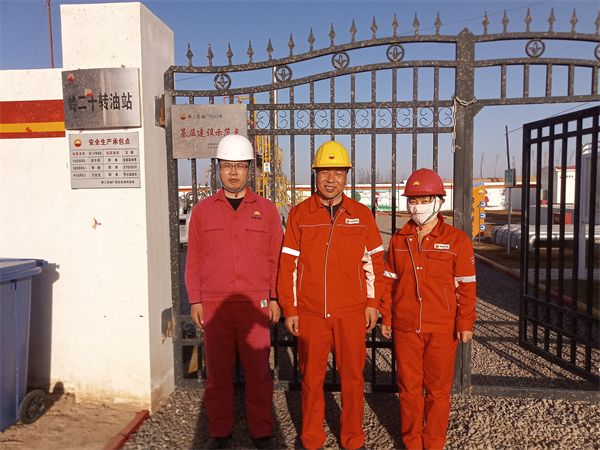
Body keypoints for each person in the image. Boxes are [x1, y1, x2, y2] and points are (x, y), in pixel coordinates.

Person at [277, 141, 385, 450]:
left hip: (350, 312)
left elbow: (374, 263)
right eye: (325, 172)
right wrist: (290, 308)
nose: (330, 179)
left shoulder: (361, 215)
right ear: (315, 174)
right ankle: (311, 439)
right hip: (311, 312)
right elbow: (288, 265)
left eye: (338, 173)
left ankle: (353, 438)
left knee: (353, 379)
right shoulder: (300, 214)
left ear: (346, 176)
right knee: (311, 380)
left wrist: (372, 303)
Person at [185, 135, 283, 450]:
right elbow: (194, 258)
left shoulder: (267, 210)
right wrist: (195, 299)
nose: (233, 173)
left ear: (249, 169)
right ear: (218, 168)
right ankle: (219, 430)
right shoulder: (202, 211)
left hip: (255, 303)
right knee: (217, 373)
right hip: (215, 304)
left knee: (259, 373)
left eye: (240, 166)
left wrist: (275, 297)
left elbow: (275, 258)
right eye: (227, 166)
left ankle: (262, 430)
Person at [379, 168, 477, 450]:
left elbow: (466, 286)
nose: (418, 206)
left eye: (425, 200)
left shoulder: (458, 240)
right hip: (405, 327)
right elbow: (389, 281)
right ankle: (412, 441)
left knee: (437, 390)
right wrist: (387, 315)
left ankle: (433, 442)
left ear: (439, 201)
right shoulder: (398, 240)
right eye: (413, 200)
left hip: (442, 328)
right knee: (409, 389)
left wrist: (465, 322)